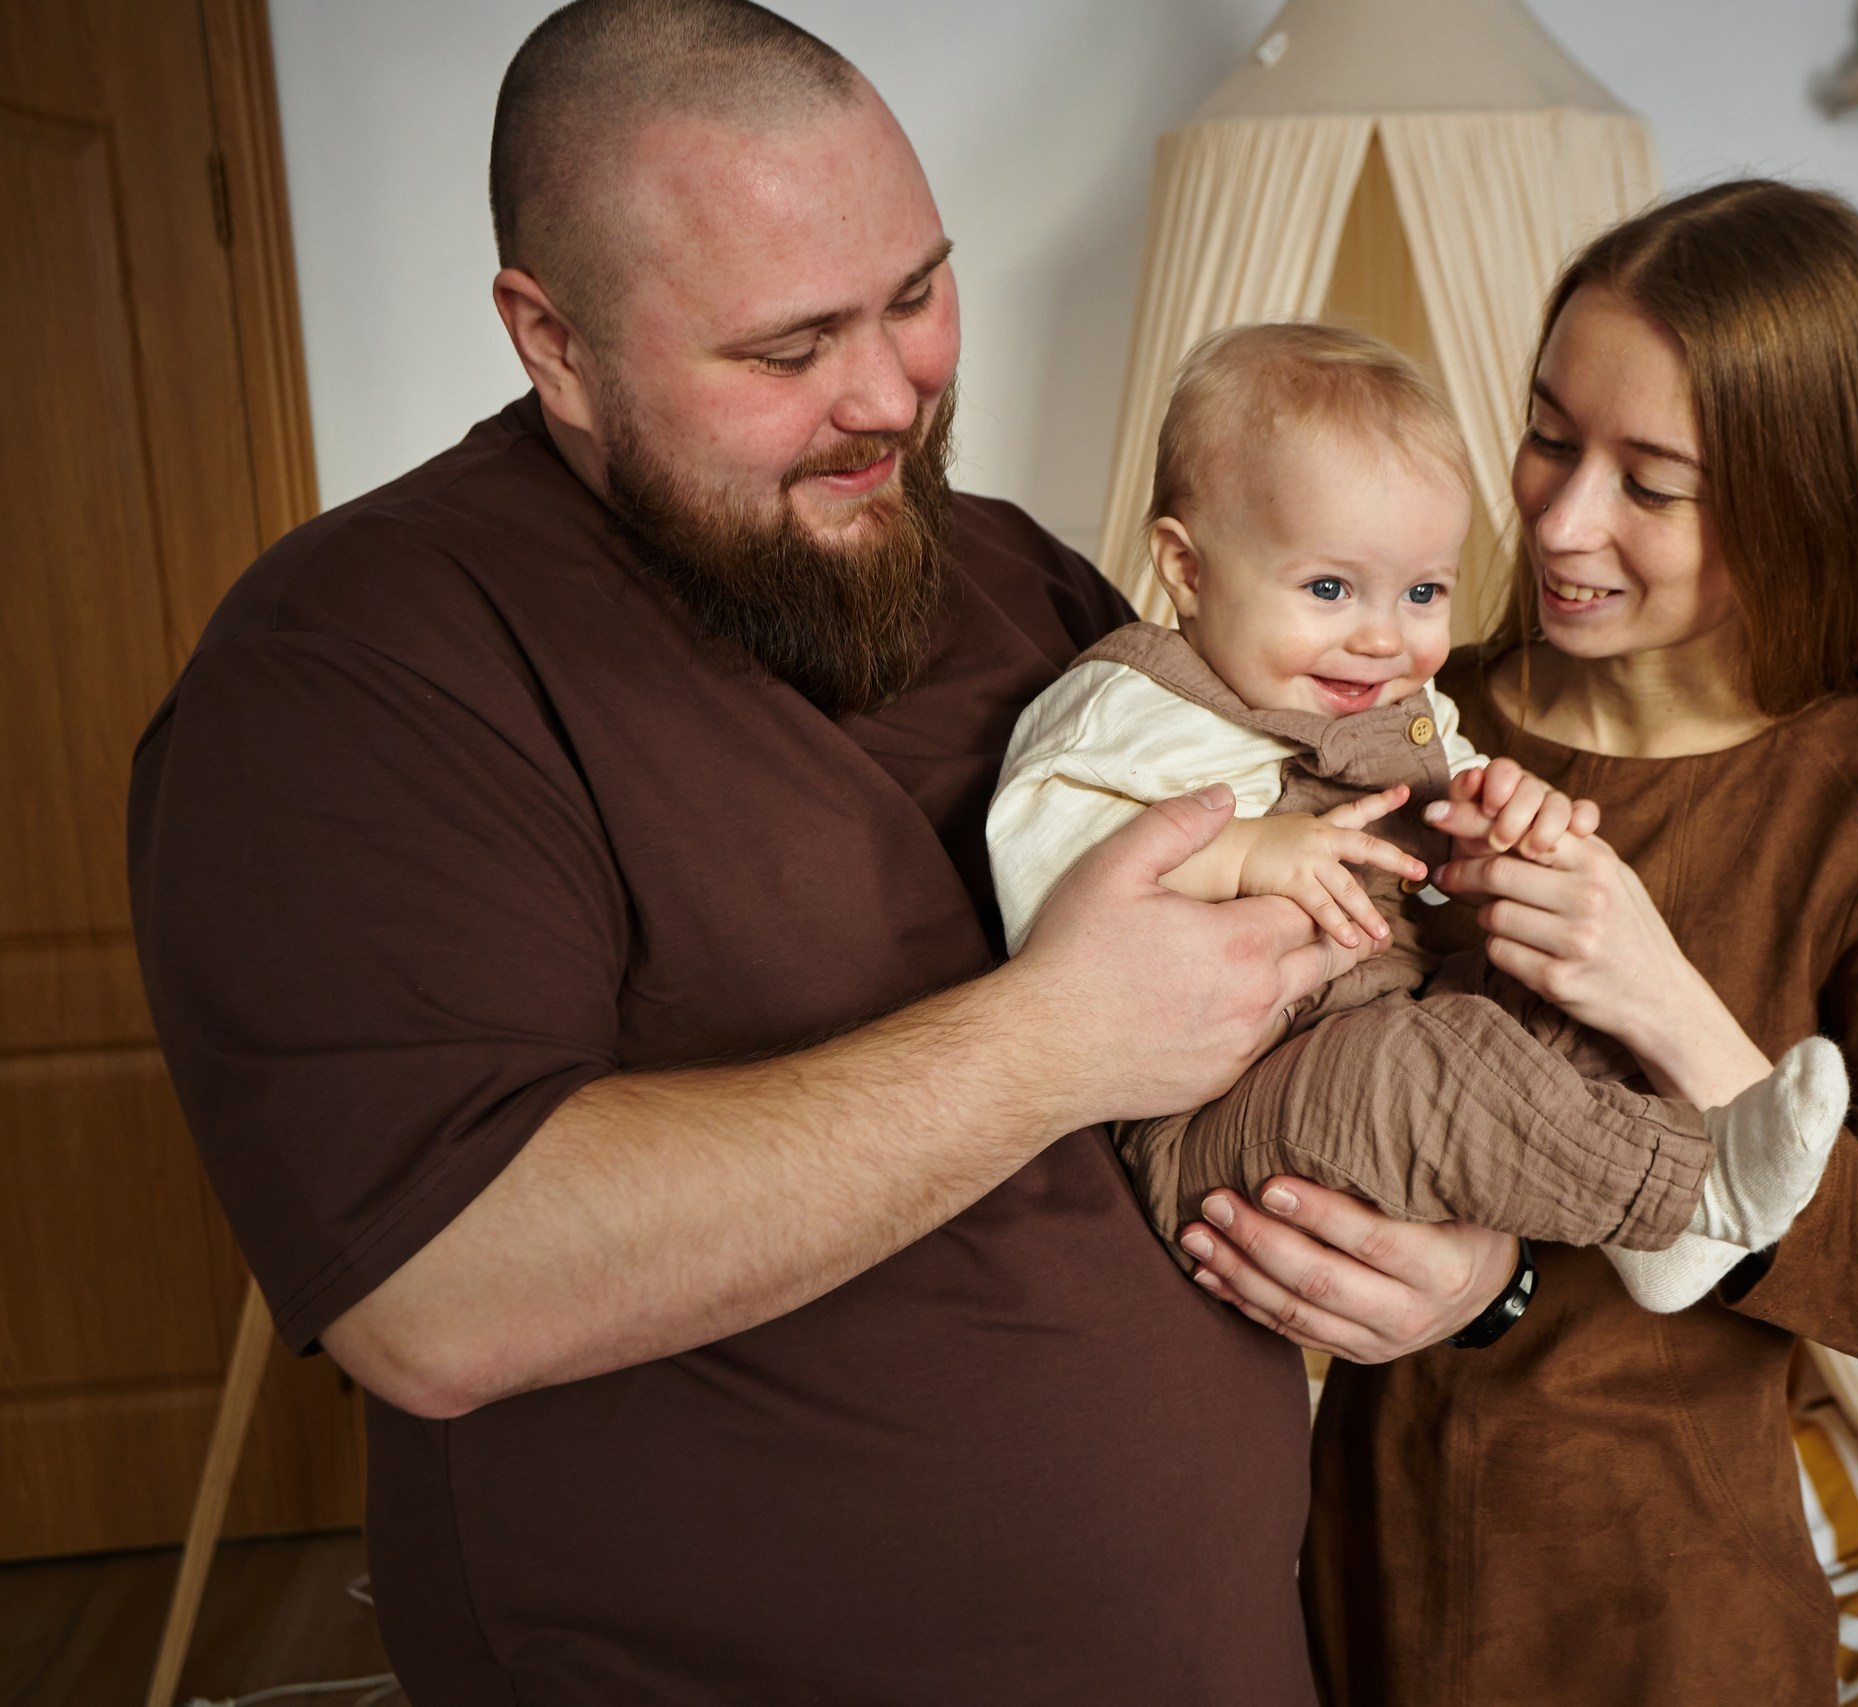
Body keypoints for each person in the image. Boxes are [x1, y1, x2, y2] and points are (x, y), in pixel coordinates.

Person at [123, 2, 1514, 1698]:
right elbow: (437, 1288)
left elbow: (1327, 979)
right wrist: (1054, 1041)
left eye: (915, 296)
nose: (887, 396)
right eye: (787, 350)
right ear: (555, 341)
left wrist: (1464, 1265)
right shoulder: (358, 662)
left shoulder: (1017, 571)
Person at [1292, 181, 1858, 1705]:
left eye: (1653, 482)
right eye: (1549, 435)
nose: (1563, 521)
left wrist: (1665, 999)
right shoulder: (1412, 719)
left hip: (1667, 1617)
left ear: (1803, 495)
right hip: (1350, 1567)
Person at [986, 323, 1848, 1310]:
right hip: (1215, 1120)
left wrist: (1500, 817)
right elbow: (1044, 874)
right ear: (1187, 569)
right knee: (1421, 1069)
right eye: (1328, 588)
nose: (1382, 639)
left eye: (1424, 592)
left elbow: (1453, 803)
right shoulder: (1132, 706)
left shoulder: (1401, 709)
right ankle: (1697, 1191)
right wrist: (1241, 853)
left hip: (1389, 1023)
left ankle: (1659, 1233)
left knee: (1529, 987)